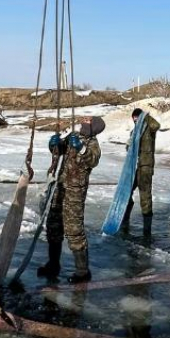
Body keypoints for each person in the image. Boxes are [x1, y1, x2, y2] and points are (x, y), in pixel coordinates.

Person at [38, 116, 104, 283]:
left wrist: (81, 149)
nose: (83, 121)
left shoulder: (92, 144)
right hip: (59, 187)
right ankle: (53, 265)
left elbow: (92, 160)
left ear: (93, 127)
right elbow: (58, 151)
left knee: (74, 230)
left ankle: (82, 272)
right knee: (53, 226)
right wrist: (54, 144)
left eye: (88, 121)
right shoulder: (72, 136)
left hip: (75, 192)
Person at [121, 108, 161, 236]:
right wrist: (128, 145)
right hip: (133, 167)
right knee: (126, 192)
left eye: (137, 118)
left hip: (145, 166)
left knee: (145, 196)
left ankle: (147, 230)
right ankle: (124, 221)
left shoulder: (149, 128)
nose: (135, 121)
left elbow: (157, 125)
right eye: (134, 119)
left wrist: (146, 117)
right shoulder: (134, 131)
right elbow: (129, 149)